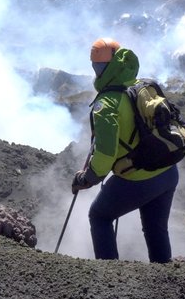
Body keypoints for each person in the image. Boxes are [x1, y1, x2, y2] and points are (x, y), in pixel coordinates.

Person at [71, 37, 179, 261]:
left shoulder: (107, 104)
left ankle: (110, 278)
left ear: (102, 68)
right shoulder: (142, 86)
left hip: (139, 178)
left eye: (96, 66)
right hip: (167, 170)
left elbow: (106, 153)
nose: (95, 70)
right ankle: (166, 282)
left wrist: (88, 177)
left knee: (99, 216)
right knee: (155, 228)